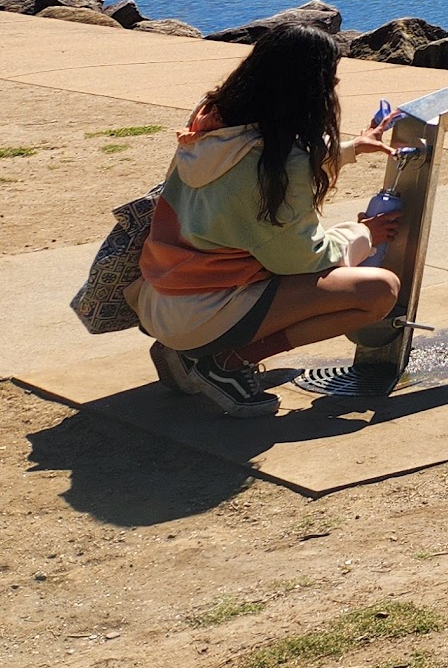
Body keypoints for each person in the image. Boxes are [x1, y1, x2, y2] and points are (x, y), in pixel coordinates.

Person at [126, 22, 404, 417]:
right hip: (204, 311)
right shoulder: (281, 165)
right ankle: (225, 362)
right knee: (378, 291)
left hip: (161, 298)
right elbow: (303, 260)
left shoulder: (212, 123)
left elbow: (248, 163)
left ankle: (186, 353)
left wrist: (350, 149)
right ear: (309, 87)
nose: (336, 82)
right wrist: (363, 234)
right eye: (330, 75)